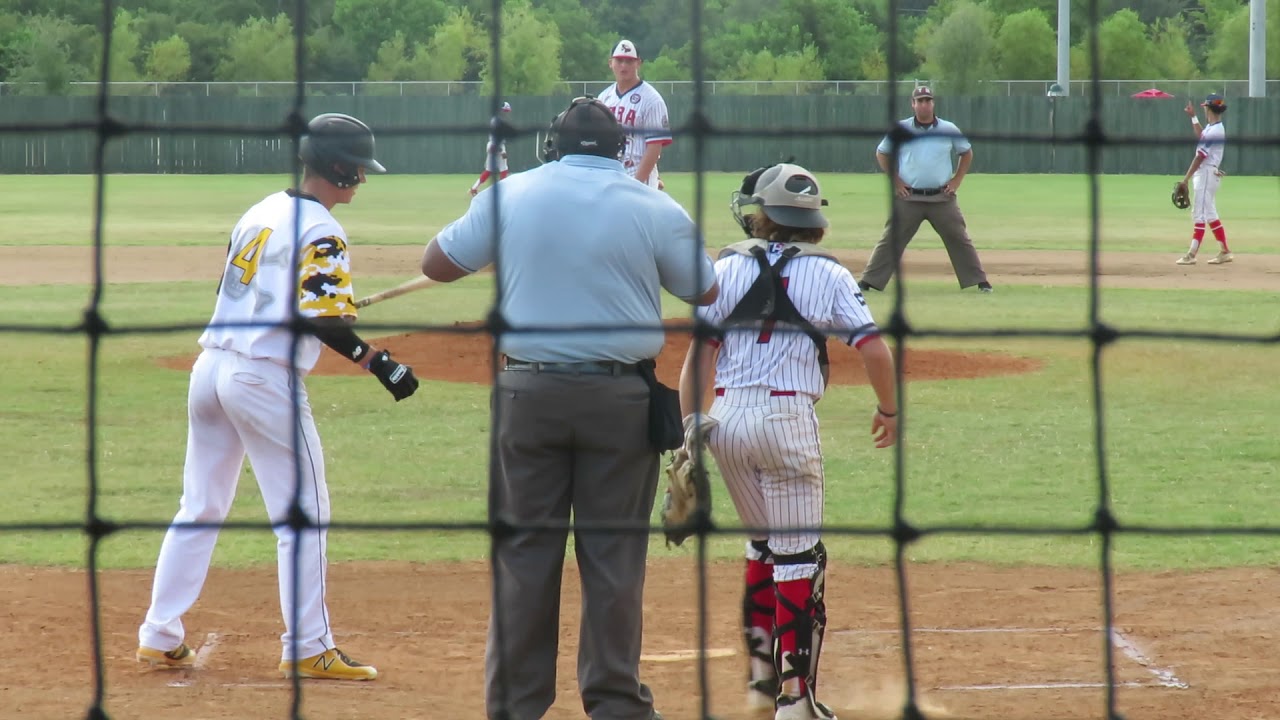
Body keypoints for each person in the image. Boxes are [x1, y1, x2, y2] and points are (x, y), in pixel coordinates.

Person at [421, 96, 718, 720]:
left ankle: (515, 705)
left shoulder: (511, 194)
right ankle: (614, 704)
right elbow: (704, 287)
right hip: (620, 398)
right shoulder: (652, 204)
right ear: (620, 149)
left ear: (551, 145)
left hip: (528, 393)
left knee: (525, 555)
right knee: (613, 560)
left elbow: (437, 264)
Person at [135, 113, 419, 681]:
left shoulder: (261, 210)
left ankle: (159, 633)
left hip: (211, 368)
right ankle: (309, 645)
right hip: (262, 381)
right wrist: (379, 362)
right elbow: (322, 319)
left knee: (201, 507)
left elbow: (261, 295)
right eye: (358, 169)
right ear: (339, 168)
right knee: (305, 515)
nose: (360, 180)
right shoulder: (322, 230)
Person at [679, 162, 899, 720]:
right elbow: (874, 349)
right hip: (787, 421)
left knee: (761, 546)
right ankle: (794, 701)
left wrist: (689, 429)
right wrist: (889, 409)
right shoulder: (829, 274)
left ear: (764, 216)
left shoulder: (723, 268)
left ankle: (759, 685)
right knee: (802, 558)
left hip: (725, 420)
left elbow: (697, 355)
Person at [859, 86, 993, 293]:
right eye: (919, 101)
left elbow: (966, 153)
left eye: (927, 100)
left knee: (959, 236)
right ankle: (869, 281)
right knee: (891, 237)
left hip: (941, 196)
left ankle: (979, 281)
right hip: (909, 197)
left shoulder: (948, 128)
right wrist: (896, 181)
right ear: (912, 104)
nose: (924, 104)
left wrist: (956, 180)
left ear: (933, 103)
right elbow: (882, 153)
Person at [597, 39, 672, 189]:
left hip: (639, 179)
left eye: (629, 61)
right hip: (610, 178)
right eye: (619, 60)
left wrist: (636, 184)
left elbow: (655, 147)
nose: (623, 66)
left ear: (638, 63)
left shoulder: (652, 99)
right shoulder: (603, 98)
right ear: (610, 63)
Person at [1176, 94, 1232, 265]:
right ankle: (1225, 251)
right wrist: (1193, 117)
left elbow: (1200, 157)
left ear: (1208, 108)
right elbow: (1202, 136)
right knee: (1209, 213)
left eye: (1204, 107)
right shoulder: (1214, 127)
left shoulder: (1215, 130)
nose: (1204, 109)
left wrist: (1185, 179)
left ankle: (1191, 255)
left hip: (1206, 173)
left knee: (1198, 213)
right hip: (1209, 173)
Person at [470, 101, 513, 197]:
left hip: (493, 145)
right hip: (496, 146)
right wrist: (501, 151)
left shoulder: (496, 119)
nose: (507, 113)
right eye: (505, 111)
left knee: (490, 170)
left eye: (507, 111)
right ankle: (503, 191)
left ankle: (474, 188)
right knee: (503, 169)